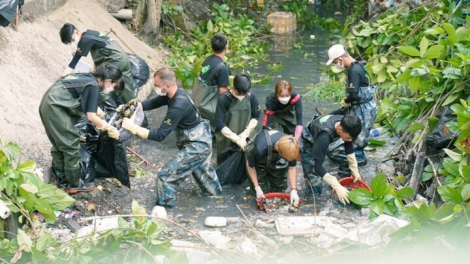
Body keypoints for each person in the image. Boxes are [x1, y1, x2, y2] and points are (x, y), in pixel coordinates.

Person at [120, 67, 222, 207]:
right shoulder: (174, 93)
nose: (156, 88)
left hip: (197, 145)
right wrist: (136, 106)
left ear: (167, 85)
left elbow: (160, 135)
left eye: (156, 86)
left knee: (165, 176)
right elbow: (154, 102)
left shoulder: (178, 106)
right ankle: (218, 201)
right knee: (205, 176)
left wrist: (134, 128)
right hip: (201, 138)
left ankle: (165, 208)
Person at [39, 64, 122, 194]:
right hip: (55, 107)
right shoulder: (94, 86)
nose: (111, 89)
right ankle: (74, 184)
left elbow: (81, 98)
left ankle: (61, 178)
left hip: (49, 102)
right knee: (71, 144)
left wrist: (98, 111)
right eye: (113, 85)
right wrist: (108, 128)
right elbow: (91, 116)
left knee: (60, 143)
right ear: (108, 81)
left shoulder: (87, 77)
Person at [325, 44, 377, 169]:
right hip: (367, 106)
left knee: (340, 146)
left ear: (341, 59)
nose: (336, 65)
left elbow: (353, 95)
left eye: (335, 62)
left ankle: (358, 161)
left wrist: (346, 100)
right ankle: (357, 156)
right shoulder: (359, 65)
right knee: (359, 136)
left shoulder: (353, 71)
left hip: (363, 109)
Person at [59, 23, 135, 104]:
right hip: (122, 57)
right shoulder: (89, 33)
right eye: (70, 42)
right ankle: (135, 106)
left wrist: (61, 79)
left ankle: (100, 107)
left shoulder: (85, 40)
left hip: (115, 60)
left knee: (99, 82)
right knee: (126, 87)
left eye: (72, 40)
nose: (73, 43)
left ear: (76, 32)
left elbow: (73, 63)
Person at [299, 114, 362, 204]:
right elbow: (318, 166)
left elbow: (348, 142)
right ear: (340, 130)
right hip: (309, 141)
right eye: (348, 137)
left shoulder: (347, 123)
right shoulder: (324, 137)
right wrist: (335, 184)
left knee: (344, 158)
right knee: (314, 181)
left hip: (328, 140)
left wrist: (354, 169)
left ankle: (345, 184)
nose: (350, 140)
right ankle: (312, 201)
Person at [245, 129, 300, 206]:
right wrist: (257, 187)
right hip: (259, 153)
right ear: (279, 152)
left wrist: (294, 190)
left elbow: (292, 168)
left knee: (280, 188)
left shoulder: (291, 148)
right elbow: (250, 166)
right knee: (261, 194)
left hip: (274, 152)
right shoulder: (260, 148)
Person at [215, 73, 261, 165]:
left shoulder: (251, 96)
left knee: (245, 161)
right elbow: (219, 122)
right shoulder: (224, 98)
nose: (241, 96)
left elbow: (256, 116)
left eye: (244, 94)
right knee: (225, 161)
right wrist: (235, 138)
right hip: (226, 137)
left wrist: (246, 133)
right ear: (233, 87)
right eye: (238, 93)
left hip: (246, 135)